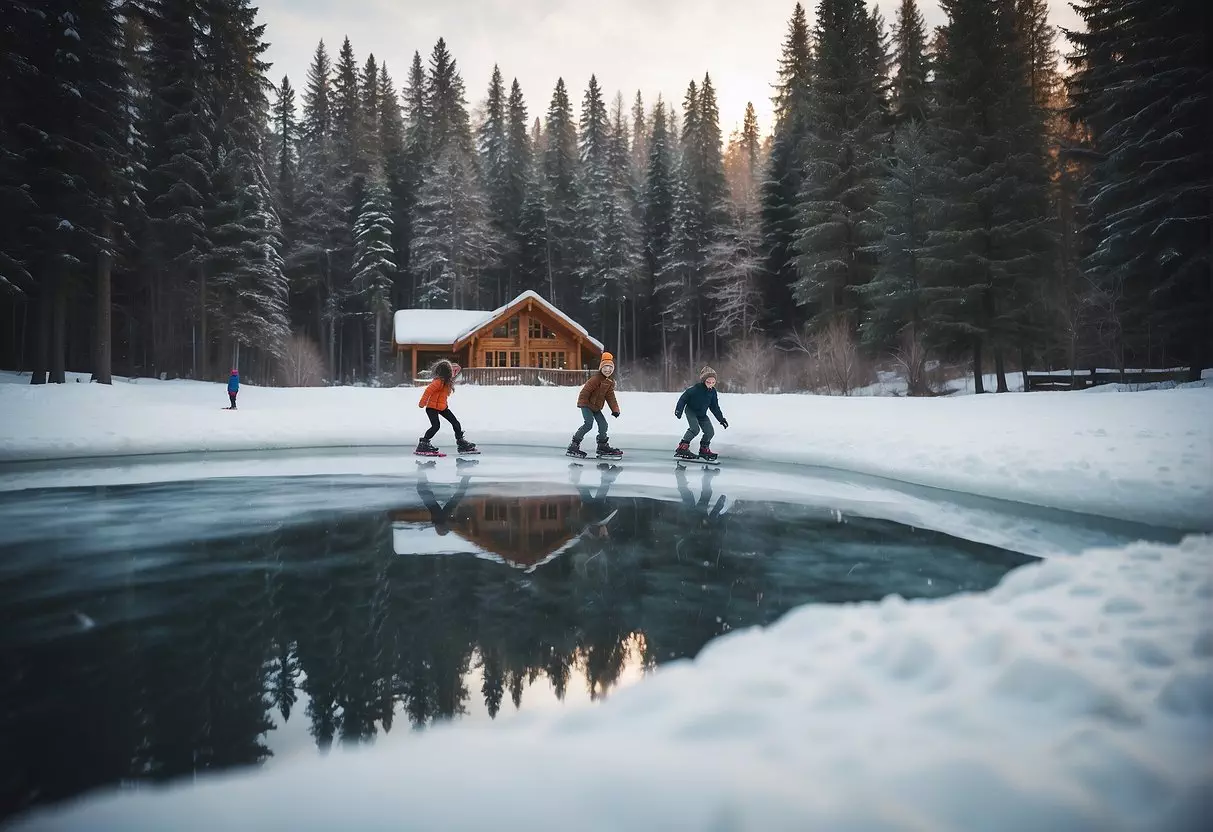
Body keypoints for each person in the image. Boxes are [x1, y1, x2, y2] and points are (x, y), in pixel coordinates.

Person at [416, 359, 478, 455]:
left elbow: (458, 368)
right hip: (432, 407)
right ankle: (423, 444)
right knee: (436, 426)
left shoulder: (447, 381)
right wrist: (422, 403)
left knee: (455, 423)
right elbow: (428, 391)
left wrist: (450, 366)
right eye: (449, 371)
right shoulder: (438, 382)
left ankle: (461, 442)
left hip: (442, 407)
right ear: (446, 372)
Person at [567, 352, 621, 458]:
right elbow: (585, 392)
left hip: (596, 407)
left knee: (603, 425)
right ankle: (574, 445)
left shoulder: (610, 382)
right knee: (588, 424)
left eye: (610, 368)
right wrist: (583, 403)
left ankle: (602, 446)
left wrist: (615, 409)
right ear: (601, 368)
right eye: (605, 367)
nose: (607, 370)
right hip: (586, 404)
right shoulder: (595, 379)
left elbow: (611, 397)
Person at [673, 366, 728, 461]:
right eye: (708, 382)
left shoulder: (713, 392)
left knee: (710, 432)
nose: (711, 384)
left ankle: (704, 449)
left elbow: (715, 407)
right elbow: (683, 398)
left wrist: (721, 419)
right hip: (691, 411)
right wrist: (679, 410)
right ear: (704, 381)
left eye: (713, 382)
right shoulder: (695, 389)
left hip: (702, 414)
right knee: (695, 429)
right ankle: (682, 447)